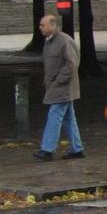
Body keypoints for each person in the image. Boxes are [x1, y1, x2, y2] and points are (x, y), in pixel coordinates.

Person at [33, 14, 84, 161]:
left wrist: (58, 81)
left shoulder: (64, 41)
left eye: (43, 25)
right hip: (56, 86)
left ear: (52, 25)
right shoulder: (48, 42)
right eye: (40, 25)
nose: (40, 27)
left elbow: (72, 64)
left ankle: (47, 149)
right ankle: (77, 148)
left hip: (63, 87)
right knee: (68, 118)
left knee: (54, 115)